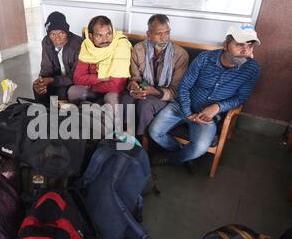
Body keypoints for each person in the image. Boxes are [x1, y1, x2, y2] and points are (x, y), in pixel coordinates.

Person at [149, 23, 261, 166]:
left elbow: (241, 97)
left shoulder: (252, 69)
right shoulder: (204, 59)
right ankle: (181, 153)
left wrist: (217, 107)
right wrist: (188, 113)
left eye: (250, 46)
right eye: (239, 45)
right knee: (154, 132)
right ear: (225, 45)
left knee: (199, 148)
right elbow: (184, 86)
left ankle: (173, 159)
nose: (245, 51)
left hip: (208, 117)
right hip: (181, 105)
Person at [120, 14, 189, 149]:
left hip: (166, 95)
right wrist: (133, 86)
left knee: (145, 104)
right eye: (159, 34)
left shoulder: (180, 55)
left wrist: (155, 92)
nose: (164, 38)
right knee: (127, 99)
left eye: (167, 33)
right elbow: (135, 78)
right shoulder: (139, 49)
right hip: (145, 88)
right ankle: (125, 140)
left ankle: (142, 146)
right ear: (148, 34)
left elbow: (176, 90)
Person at [68, 15, 132, 106]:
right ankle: (86, 116)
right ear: (91, 36)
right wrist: (100, 78)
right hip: (94, 88)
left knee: (111, 98)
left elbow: (117, 85)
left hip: (112, 91)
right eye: (99, 35)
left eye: (108, 34)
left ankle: (104, 117)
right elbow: (77, 78)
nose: (105, 39)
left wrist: (91, 85)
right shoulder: (87, 46)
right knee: (73, 91)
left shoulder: (121, 45)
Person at [33, 11, 83, 105]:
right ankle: (43, 114)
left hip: (73, 82)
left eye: (61, 33)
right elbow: (46, 68)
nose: (57, 38)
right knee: (37, 87)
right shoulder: (46, 42)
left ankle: (61, 117)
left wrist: (53, 80)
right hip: (55, 79)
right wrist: (41, 82)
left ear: (67, 32)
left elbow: (76, 77)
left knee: (61, 92)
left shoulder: (78, 44)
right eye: (52, 34)